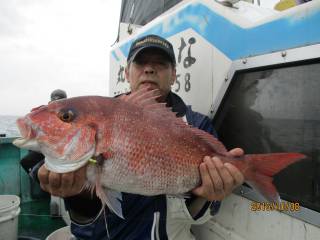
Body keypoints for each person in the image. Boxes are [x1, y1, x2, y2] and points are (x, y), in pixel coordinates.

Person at [35, 35, 245, 239]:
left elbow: (201, 216)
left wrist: (208, 194)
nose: (149, 69)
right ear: (127, 73)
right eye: (140, 63)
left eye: (160, 64)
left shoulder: (197, 125)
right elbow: (86, 220)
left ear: (173, 75)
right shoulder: (102, 116)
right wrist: (77, 193)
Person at [20, 89, 67, 177]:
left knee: (36, 171)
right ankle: (39, 182)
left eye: (60, 102)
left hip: (61, 152)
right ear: (50, 102)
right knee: (25, 162)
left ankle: (45, 186)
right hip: (44, 149)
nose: (57, 105)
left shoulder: (68, 115)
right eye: (54, 102)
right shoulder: (44, 114)